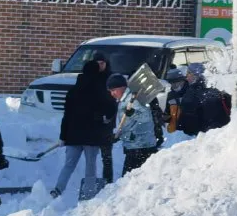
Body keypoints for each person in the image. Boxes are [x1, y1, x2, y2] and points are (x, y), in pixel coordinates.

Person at [50, 60, 116, 201]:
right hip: (92, 136)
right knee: (90, 167)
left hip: (73, 135)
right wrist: (105, 118)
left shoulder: (73, 91)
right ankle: (89, 194)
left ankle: (57, 190)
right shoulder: (100, 90)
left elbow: (66, 116)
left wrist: (63, 136)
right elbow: (112, 107)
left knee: (69, 165)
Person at [107, 73, 162, 177]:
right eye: (110, 91)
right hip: (134, 146)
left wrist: (133, 113)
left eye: (114, 90)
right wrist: (118, 136)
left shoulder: (134, 99)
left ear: (122, 87)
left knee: (130, 182)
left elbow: (146, 118)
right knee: (131, 182)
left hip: (142, 147)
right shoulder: (125, 101)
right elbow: (130, 125)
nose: (112, 94)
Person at [177, 63, 230, 136]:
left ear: (195, 75)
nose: (186, 77)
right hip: (224, 130)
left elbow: (188, 117)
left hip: (204, 135)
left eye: (188, 73)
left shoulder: (192, 92)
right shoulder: (216, 88)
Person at [92, 52, 116, 185]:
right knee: (90, 157)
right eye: (97, 64)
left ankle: (108, 182)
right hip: (92, 123)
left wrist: (109, 117)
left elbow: (114, 102)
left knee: (106, 156)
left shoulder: (111, 79)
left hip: (106, 123)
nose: (100, 66)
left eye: (102, 63)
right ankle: (91, 181)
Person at [163, 67, 188, 133]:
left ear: (183, 80)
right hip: (177, 131)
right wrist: (165, 118)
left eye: (177, 82)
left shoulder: (191, 92)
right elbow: (167, 114)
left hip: (191, 130)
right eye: (172, 83)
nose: (175, 85)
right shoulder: (169, 96)